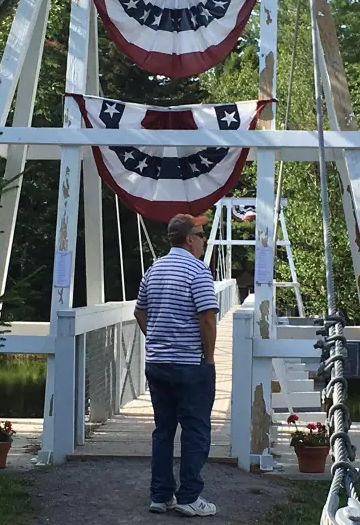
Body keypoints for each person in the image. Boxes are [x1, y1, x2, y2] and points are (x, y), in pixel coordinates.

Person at [133, 213, 219, 517]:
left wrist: (157, 338)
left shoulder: (153, 269)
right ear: (189, 239)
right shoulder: (198, 271)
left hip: (157, 363)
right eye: (201, 234)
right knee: (196, 431)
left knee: (163, 430)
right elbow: (207, 318)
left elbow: (139, 312)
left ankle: (160, 496)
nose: (204, 239)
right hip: (189, 365)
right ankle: (189, 497)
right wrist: (208, 358)